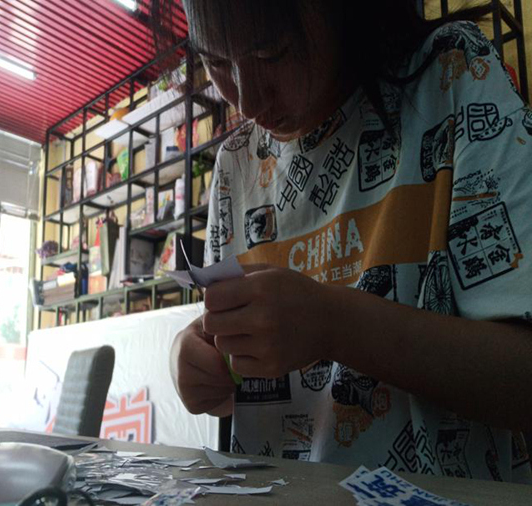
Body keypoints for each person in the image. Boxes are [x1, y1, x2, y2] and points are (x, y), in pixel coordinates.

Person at [153, 0, 532, 483]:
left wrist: (332, 325)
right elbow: (234, 363)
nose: (247, 103)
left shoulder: (451, 75)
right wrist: (192, 359)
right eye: (217, 62)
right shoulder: (236, 163)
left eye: (272, 54)